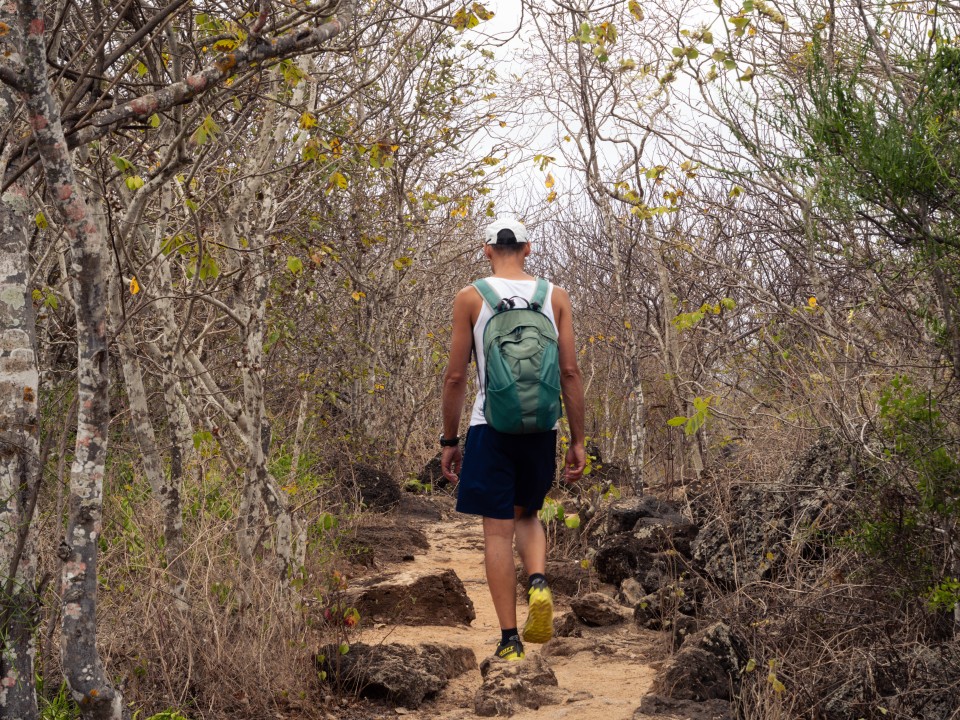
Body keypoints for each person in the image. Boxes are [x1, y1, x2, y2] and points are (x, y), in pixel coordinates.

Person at [440, 217, 586, 661]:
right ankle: (538, 580)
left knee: (497, 534)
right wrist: (578, 439)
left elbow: (455, 376)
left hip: (491, 425)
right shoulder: (553, 296)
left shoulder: (471, 297)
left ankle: (509, 641)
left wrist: (450, 439)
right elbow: (569, 372)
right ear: (528, 248)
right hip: (542, 427)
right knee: (528, 516)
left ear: (487, 250)